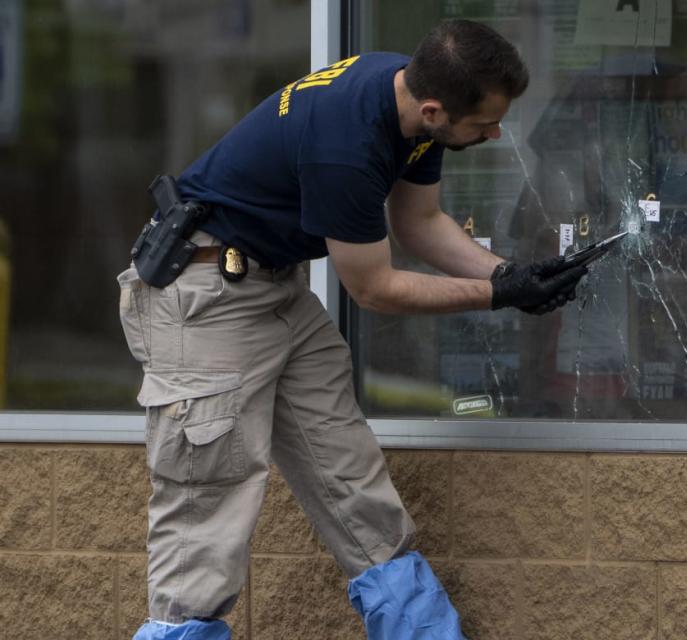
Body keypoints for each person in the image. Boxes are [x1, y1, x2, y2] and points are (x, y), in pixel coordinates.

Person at [118, 19, 590, 640]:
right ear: (434, 109)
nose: (495, 132)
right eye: (485, 124)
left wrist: (513, 273)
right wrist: (499, 293)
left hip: (272, 285)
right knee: (207, 506)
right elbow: (374, 289)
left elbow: (419, 224)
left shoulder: (411, 100)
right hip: (205, 298)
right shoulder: (346, 141)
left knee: (348, 472)